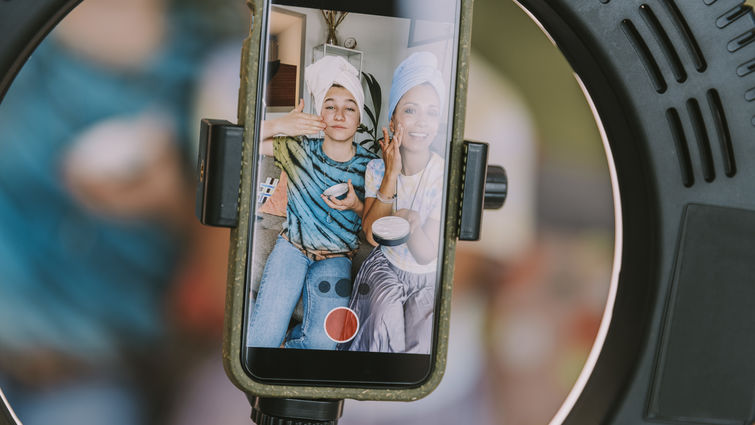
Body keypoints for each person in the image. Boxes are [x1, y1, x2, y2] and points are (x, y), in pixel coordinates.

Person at [246, 55, 377, 350]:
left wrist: (356, 206)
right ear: (320, 113)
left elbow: (375, 223)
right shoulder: (299, 149)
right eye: (331, 106)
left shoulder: (371, 166)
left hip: (337, 258)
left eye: (349, 108)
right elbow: (242, 138)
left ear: (359, 118)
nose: (340, 115)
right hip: (291, 248)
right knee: (260, 340)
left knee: (322, 343)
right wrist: (283, 124)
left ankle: (287, 351)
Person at [341, 52, 446, 354]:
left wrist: (412, 226)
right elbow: (372, 236)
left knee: (421, 343)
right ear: (393, 120)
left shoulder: (443, 176)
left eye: (432, 112)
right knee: (384, 322)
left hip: (427, 276)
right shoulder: (376, 169)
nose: (421, 122)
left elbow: (427, 255)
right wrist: (392, 173)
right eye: (410, 110)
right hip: (386, 265)